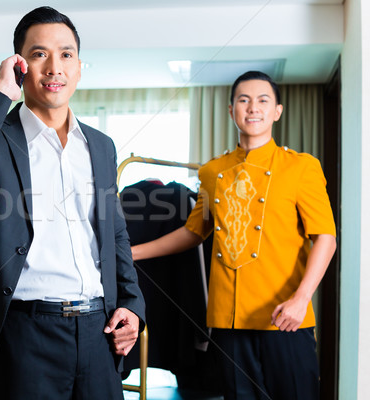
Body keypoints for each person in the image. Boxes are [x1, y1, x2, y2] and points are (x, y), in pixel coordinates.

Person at [0, 6, 145, 400]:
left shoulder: (101, 145)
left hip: (98, 332)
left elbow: (114, 232)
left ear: (79, 67)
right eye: (39, 53)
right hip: (24, 334)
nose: (54, 67)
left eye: (66, 54)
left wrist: (132, 304)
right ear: (20, 66)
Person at [131, 70, 336, 399]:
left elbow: (325, 236)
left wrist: (302, 299)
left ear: (277, 111)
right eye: (244, 100)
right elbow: (194, 232)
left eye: (262, 100)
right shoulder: (212, 172)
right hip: (228, 323)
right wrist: (133, 253)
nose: (252, 107)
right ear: (231, 110)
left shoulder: (302, 167)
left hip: (285, 317)